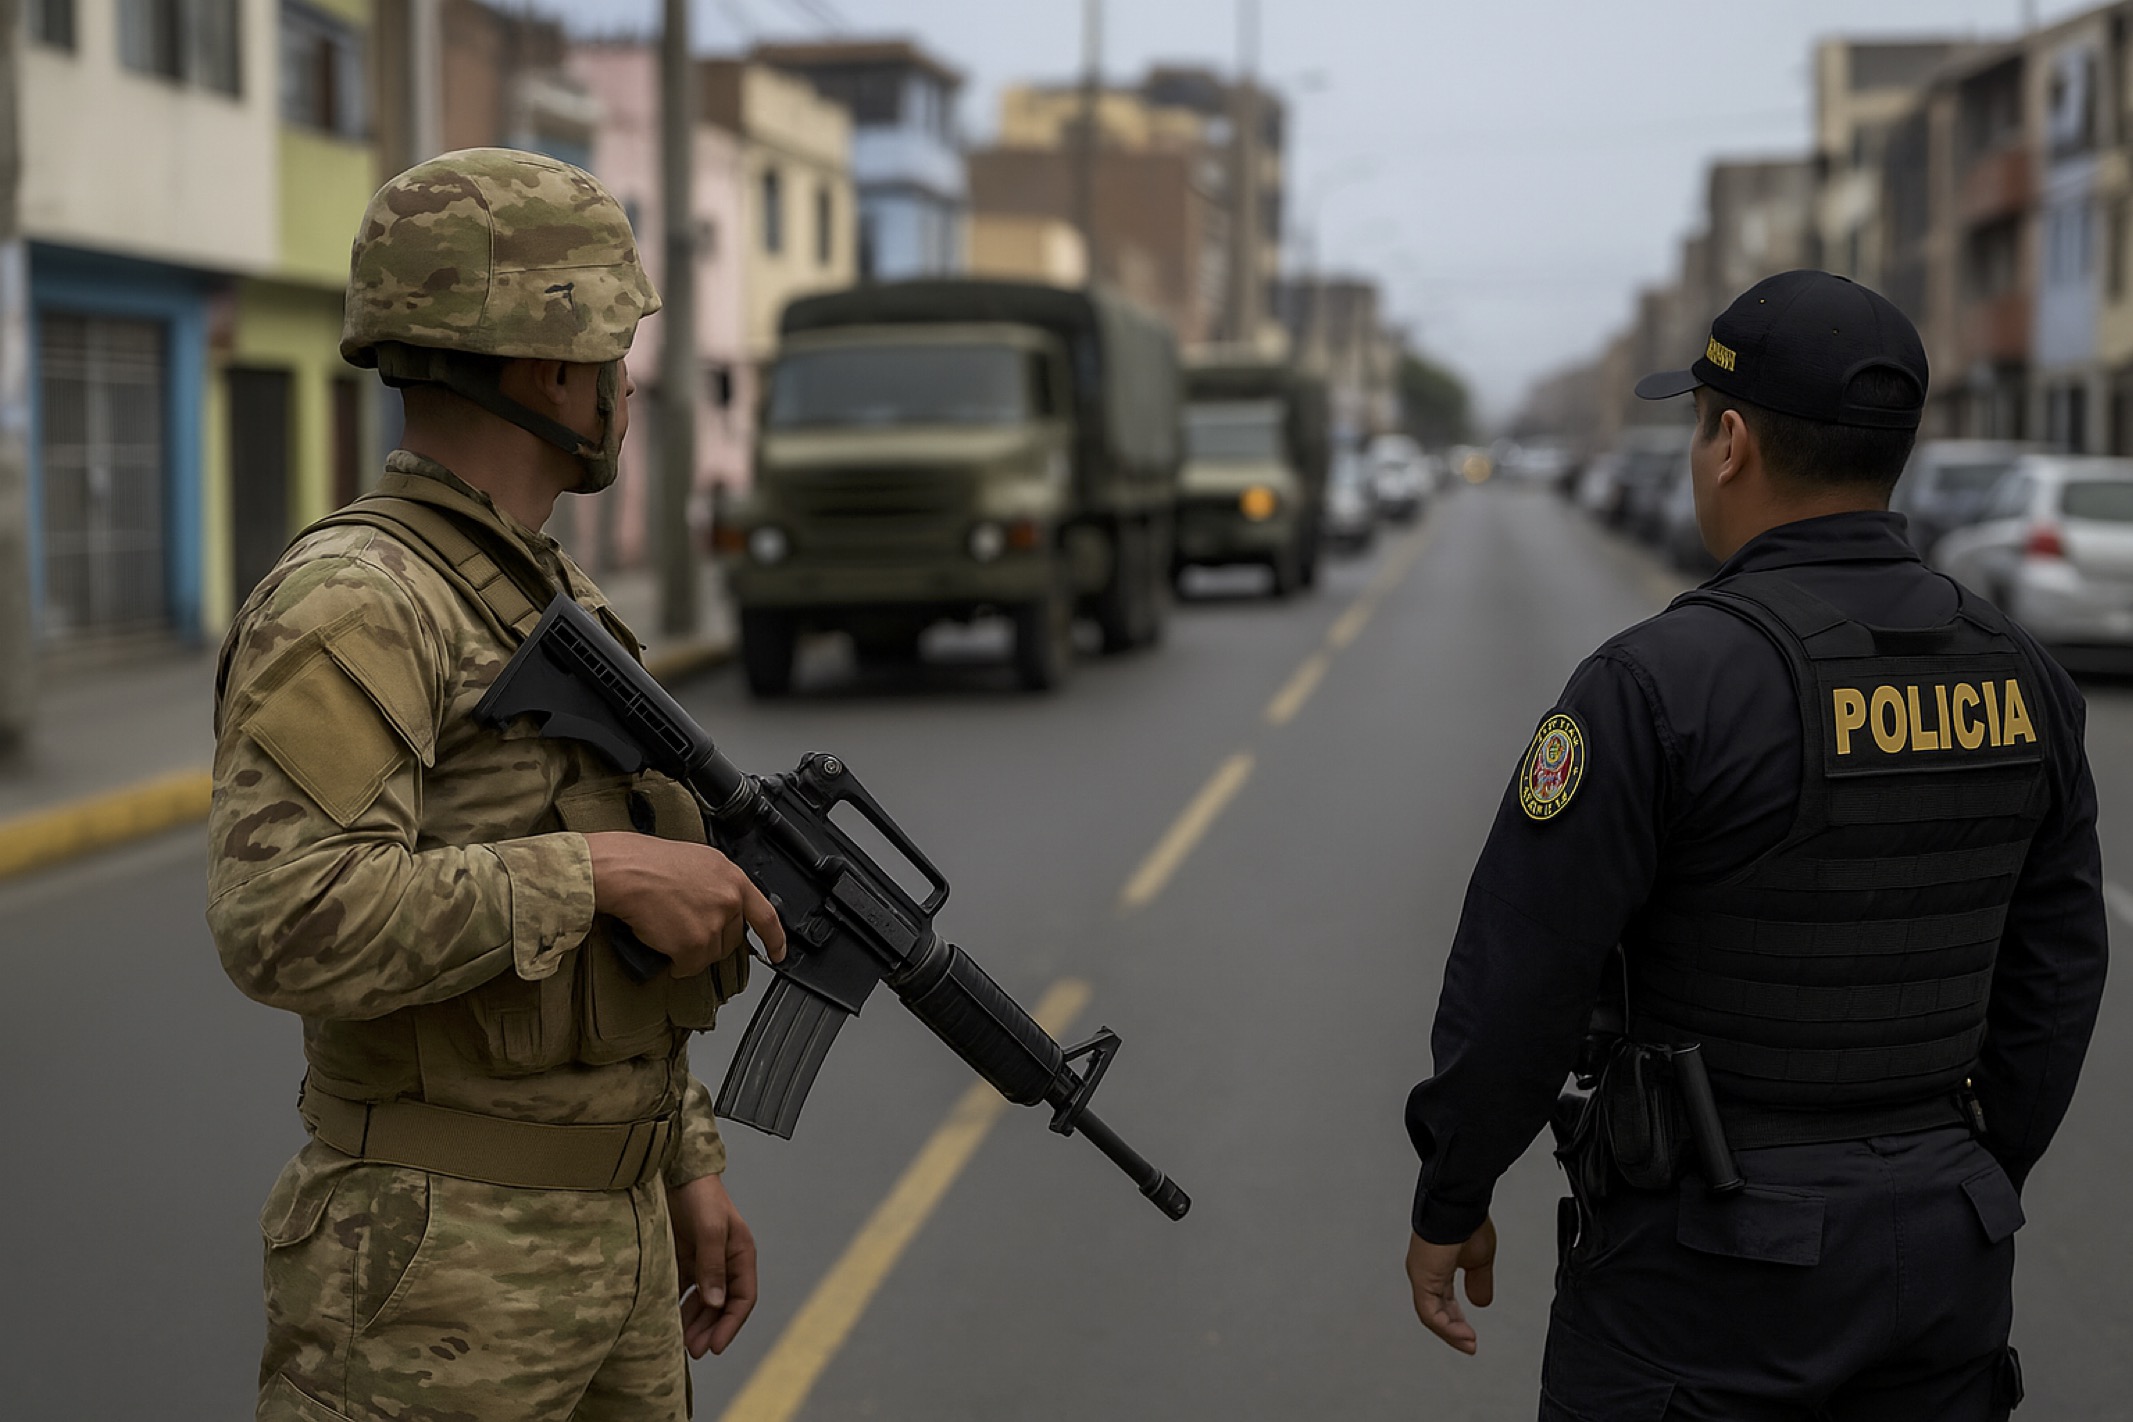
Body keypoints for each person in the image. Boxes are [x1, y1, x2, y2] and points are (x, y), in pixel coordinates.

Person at [1400, 270, 2108, 1420]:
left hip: (1706, 1277)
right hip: (1946, 1263)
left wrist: (1452, 1193)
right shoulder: (2025, 679)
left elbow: (1521, 978)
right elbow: (2060, 976)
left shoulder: (1656, 687)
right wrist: (1968, 1173)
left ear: (1730, 442)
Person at [208, 148, 787, 1421]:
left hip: (619, 1260)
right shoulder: (355, 601)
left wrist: (682, 1161)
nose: (624, 388)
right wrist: (600, 874)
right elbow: (284, 919)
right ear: (550, 365)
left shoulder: (552, 596)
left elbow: (610, 968)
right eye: (614, 353)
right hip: (432, 1279)